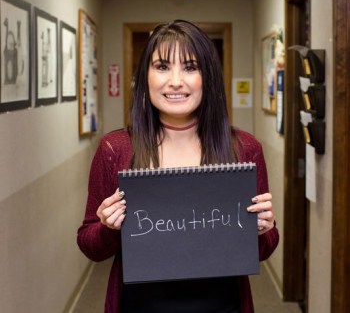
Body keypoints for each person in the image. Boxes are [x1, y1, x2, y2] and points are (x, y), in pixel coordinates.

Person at [77, 19, 279, 313]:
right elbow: (89, 245)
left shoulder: (244, 148)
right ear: (145, 76)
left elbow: (265, 248)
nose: (175, 81)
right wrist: (108, 227)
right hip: (140, 304)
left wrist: (263, 229)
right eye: (161, 66)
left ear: (207, 77)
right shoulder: (116, 149)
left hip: (222, 303)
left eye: (190, 67)